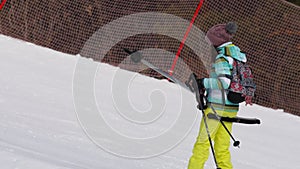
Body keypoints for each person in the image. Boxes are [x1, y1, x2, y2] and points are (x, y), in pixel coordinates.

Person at [187, 22, 253, 169]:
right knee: (222, 148)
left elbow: (223, 82)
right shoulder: (237, 56)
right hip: (231, 108)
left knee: (202, 143)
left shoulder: (222, 58)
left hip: (216, 108)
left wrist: (203, 82)